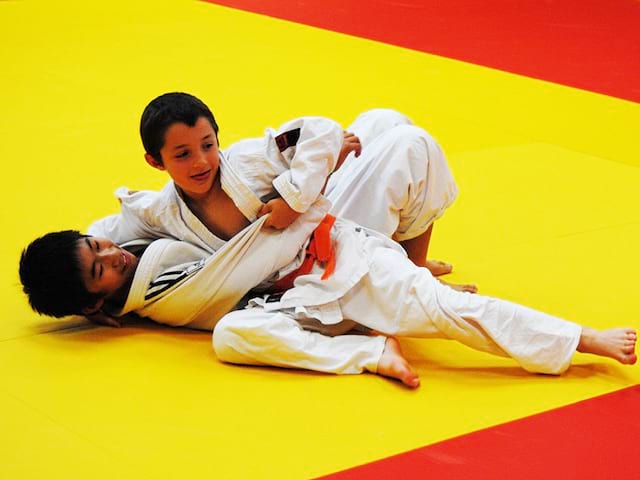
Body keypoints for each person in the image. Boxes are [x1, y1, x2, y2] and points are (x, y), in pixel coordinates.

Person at [19, 212, 638, 389]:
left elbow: (130, 214)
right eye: (100, 271)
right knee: (230, 338)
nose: (114, 257)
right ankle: (368, 353)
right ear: (95, 306)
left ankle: (582, 338)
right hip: (291, 298)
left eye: (100, 246)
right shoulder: (151, 293)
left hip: (334, 254)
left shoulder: (136, 228)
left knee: (446, 314)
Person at [89, 92, 465, 282]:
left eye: (208, 145)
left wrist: (294, 198)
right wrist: (86, 292)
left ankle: (409, 260)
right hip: (319, 254)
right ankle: (413, 273)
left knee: (385, 120)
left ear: (219, 138)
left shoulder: (244, 163)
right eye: (183, 154)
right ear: (156, 162)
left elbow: (316, 131)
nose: (201, 162)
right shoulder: (164, 211)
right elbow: (101, 235)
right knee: (411, 146)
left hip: (320, 215)